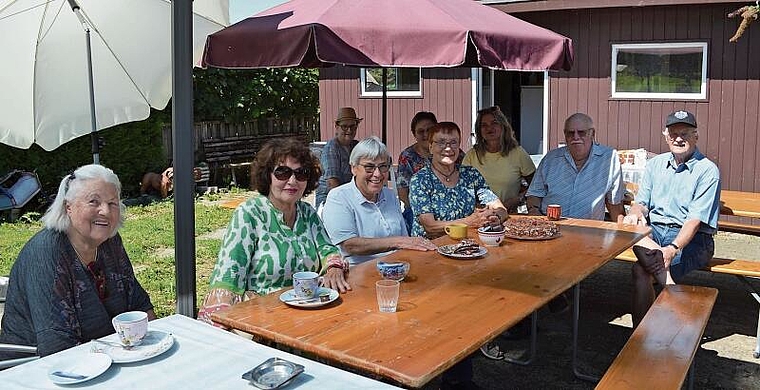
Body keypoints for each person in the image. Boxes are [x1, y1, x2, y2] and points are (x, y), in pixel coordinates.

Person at [0, 164, 155, 358]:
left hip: (107, 357)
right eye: (94, 201)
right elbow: (57, 346)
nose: (105, 211)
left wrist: (151, 349)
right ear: (68, 207)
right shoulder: (47, 251)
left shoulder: (110, 242)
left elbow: (140, 306)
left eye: (112, 203)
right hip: (38, 369)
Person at [199, 138, 351, 325]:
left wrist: (334, 268)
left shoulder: (307, 212)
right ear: (267, 176)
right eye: (282, 172)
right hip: (264, 321)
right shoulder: (250, 213)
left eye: (301, 173)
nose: (292, 180)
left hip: (310, 316)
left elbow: (328, 249)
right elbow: (227, 278)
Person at [623, 110, 720, 327]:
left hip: (693, 240)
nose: (678, 138)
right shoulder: (656, 164)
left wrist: (672, 248)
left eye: (685, 133)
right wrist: (636, 213)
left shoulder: (707, 171)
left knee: (640, 270)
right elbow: (642, 202)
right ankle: (669, 291)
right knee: (628, 226)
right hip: (655, 234)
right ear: (665, 136)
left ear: (696, 136)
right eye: (673, 133)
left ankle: (643, 334)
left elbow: (694, 221)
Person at [323, 136, 437, 265]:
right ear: (353, 168)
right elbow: (350, 245)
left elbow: (404, 238)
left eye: (383, 166)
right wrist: (398, 242)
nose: (377, 174)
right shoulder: (339, 197)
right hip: (358, 272)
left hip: (396, 267)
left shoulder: (389, 195)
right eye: (369, 167)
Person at [409, 121, 508, 238]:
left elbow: (501, 209)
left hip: (466, 247)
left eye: (453, 143)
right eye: (441, 143)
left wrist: (495, 217)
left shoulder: (470, 174)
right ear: (430, 147)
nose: (448, 148)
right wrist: (469, 222)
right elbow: (430, 227)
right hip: (429, 249)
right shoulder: (420, 180)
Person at [525, 112, 626, 222]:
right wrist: (534, 211)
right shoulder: (551, 159)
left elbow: (615, 204)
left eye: (581, 133)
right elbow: (534, 194)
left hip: (589, 232)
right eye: (570, 133)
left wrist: (623, 231)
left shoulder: (609, 159)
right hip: (551, 227)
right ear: (565, 135)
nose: (576, 137)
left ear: (592, 134)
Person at [463, 106, 536, 212]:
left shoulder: (518, 153)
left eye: (494, 123)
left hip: (509, 216)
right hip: (477, 216)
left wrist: (518, 199)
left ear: (503, 126)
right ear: (479, 130)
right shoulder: (472, 155)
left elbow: (536, 186)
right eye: (484, 125)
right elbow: (461, 187)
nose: (489, 128)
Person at [397, 111, 437, 233]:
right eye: (421, 131)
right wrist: (423, 211)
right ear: (414, 134)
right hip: (416, 209)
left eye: (429, 130)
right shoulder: (407, 157)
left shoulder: (449, 152)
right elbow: (403, 192)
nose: (426, 134)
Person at [315, 107, 362, 209]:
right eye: (344, 126)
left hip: (350, 197)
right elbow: (332, 184)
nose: (349, 130)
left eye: (352, 126)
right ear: (336, 126)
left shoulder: (356, 146)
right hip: (330, 200)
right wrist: (351, 204)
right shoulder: (331, 148)